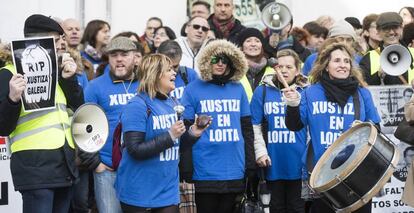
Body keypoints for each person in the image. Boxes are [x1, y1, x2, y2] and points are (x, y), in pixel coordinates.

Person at [283, 42, 381, 213]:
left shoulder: (362, 93)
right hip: (321, 174)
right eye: (336, 60)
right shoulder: (310, 92)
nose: (342, 65)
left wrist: (365, 128)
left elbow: (376, 128)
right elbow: (294, 125)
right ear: (326, 66)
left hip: (356, 173)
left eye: (346, 61)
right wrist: (292, 105)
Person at [0, 14, 83, 213]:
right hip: (34, 166)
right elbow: (3, 127)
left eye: (62, 40)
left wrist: (70, 81)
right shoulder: (8, 74)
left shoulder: (59, 71)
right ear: (35, 43)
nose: (61, 45)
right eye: (55, 41)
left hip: (64, 163)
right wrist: (12, 98)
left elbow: (80, 110)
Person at [114, 54, 208, 213]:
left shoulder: (173, 102)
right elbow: (135, 149)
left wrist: (193, 133)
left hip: (168, 190)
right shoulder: (137, 105)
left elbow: (176, 146)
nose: (174, 74)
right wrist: (170, 136)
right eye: (169, 70)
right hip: (140, 191)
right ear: (155, 74)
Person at [181, 39, 256, 213]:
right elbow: (185, 130)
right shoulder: (192, 89)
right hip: (205, 169)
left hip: (235, 167)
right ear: (207, 60)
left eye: (225, 60)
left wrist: (250, 164)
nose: (220, 64)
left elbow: (247, 129)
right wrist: (186, 168)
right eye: (216, 59)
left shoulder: (238, 89)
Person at [84, 37, 140, 213]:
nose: (119, 59)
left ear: (135, 57)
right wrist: (96, 163)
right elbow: (83, 127)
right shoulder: (95, 87)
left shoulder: (146, 84)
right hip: (107, 168)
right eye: (114, 55)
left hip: (140, 169)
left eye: (124, 54)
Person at [251, 49, 308, 213]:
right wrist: (260, 152)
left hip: (299, 165)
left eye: (289, 67)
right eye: (280, 66)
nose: (283, 70)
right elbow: (254, 126)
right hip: (272, 163)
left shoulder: (306, 92)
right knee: (275, 208)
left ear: (297, 70)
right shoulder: (262, 91)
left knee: (297, 209)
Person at [359, 12, 414, 86]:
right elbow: (364, 89)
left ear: (401, 27)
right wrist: (378, 77)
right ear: (378, 31)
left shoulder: (413, 53)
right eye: (386, 28)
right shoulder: (369, 58)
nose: (391, 32)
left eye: (395, 27)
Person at [237, 27, 274, 101]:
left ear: (261, 46)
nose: (253, 44)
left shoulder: (273, 69)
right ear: (242, 46)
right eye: (248, 41)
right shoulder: (234, 69)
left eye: (257, 41)